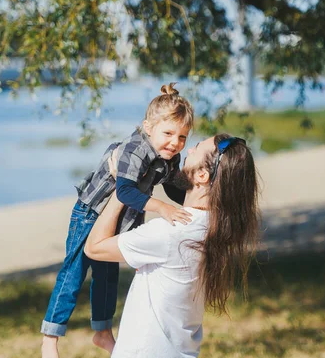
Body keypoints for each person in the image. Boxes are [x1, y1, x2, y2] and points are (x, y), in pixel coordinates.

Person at [41, 84, 195, 358]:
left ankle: (102, 333)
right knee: (74, 273)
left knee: (107, 276)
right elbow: (125, 191)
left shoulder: (170, 156)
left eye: (183, 136)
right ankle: (50, 337)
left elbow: (172, 188)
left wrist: (196, 202)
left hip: (122, 219)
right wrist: (162, 208)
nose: (176, 142)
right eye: (169, 133)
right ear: (148, 127)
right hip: (90, 213)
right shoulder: (135, 149)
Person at [85, 134, 261, 357]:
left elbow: (94, 247)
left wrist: (123, 188)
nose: (187, 151)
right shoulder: (214, 229)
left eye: (195, 149)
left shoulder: (171, 232)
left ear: (202, 175)